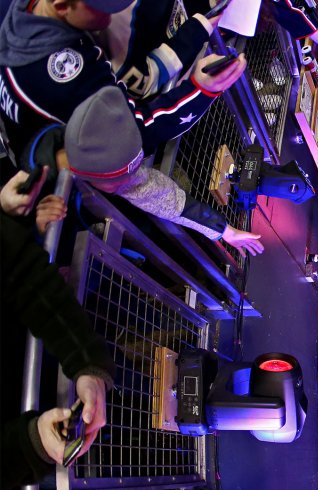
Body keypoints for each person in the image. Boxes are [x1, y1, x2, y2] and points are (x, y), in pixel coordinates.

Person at [28, 86, 263, 255]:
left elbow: (166, 198)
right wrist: (39, 234)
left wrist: (225, 231)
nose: (131, 180)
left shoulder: (104, 150)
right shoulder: (28, 189)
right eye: (120, 177)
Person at [0, 0, 244, 163]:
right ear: (63, 6)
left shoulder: (33, 11)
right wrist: (200, 91)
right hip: (68, 189)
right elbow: (132, 136)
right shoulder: (65, 74)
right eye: (104, 6)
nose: (113, 13)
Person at [1, 172, 115, 488]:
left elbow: (23, 270)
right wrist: (29, 445)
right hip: (29, 456)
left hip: (53, 351)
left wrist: (88, 364)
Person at [99, 0, 318, 100]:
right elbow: (143, 83)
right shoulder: (116, 18)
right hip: (162, 83)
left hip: (193, 38)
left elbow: (282, 8)